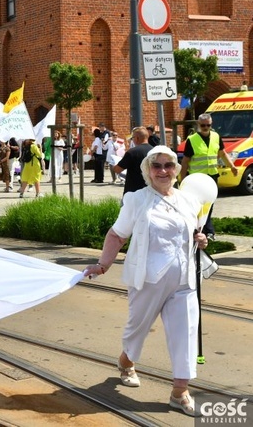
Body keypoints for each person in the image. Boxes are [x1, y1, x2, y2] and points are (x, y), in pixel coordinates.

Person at [83, 146, 209, 417]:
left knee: (185, 333)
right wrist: (103, 264)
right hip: (148, 280)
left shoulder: (189, 201)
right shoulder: (136, 200)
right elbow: (117, 236)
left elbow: (196, 233)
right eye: (157, 166)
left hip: (184, 282)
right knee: (137, 329)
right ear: (147, 171)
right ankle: (126, 362)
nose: (163, 171)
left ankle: (180, 391)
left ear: (176, 168)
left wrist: (202, 240)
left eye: (168, 165)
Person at [179, 114, 238, 240]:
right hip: (196, 179)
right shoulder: (192, 139)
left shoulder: (216, 136)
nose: (206, 127)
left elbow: (222, 153)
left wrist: (232, 166)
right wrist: (182, 180)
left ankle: (206, 230)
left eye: (208, 125)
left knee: (209, 204)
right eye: (203, 125)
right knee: (196, 205)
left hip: (211, 176)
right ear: (198, 125)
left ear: (211, 125)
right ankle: (203, 230)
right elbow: (185, 162)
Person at [114, 127, 153, 195]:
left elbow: (117, 169)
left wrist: (114, 164)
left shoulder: (132, 152)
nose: (132, 140)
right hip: (151, 190)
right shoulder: (154, 151)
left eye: (133, 138)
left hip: (133, 191)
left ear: (137, 138)